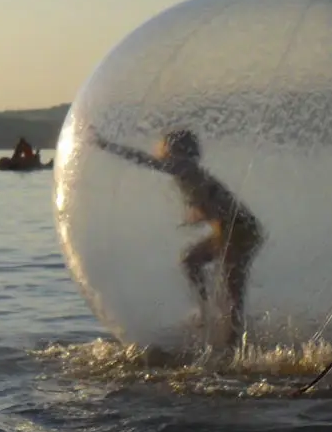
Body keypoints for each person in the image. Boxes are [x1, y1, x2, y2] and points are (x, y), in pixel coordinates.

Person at [89, 126, 264, 347]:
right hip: (234, 229)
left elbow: (145, 160)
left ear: (177, 149)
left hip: (239, 230)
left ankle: (232, 343)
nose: (162, 151)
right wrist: (199, 215)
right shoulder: (189, 171)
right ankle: (208, 314)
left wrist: (107, 145)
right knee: (191, 261)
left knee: (231, 289)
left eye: (167, 146)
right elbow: (215, 204)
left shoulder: (183, 166)